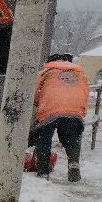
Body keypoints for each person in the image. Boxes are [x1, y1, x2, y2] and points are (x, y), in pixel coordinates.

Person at [32, 50, 89, 182]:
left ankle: (43, 171)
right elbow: (86, 92)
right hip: (75, 110)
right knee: (71, 138)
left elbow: (35, 92)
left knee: (44, 138)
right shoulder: (80, 75)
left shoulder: (45, 72)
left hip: (50, 109)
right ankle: (73, 165)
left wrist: (37, 103)